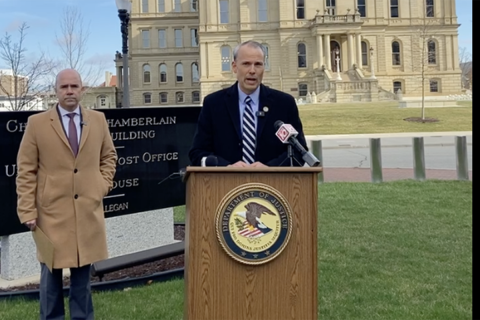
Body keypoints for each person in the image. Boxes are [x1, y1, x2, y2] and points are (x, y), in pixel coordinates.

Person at [16, 69, 117, 320]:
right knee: (50, 280)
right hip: (50, 214)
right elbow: (26, 169)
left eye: (74, 86)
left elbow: (109, 157)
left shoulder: (98, 120)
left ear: (82, 89)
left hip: (87, 212)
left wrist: (100, 185)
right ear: (56, 91)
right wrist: (27, 210)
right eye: (64, 87)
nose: (69, 91)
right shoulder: (37, 124)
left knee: (82, 279)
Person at [189, 40, 308, 167]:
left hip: (272, 183)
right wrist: (226, 167)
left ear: (264, 67)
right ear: (234, 67)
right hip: (226, 183)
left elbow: (299, 152)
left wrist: (270, 169)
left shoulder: (284, 104)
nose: (252, 70)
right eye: (246, 64)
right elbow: (197, 153)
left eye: (258, 64)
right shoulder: (213, 104)